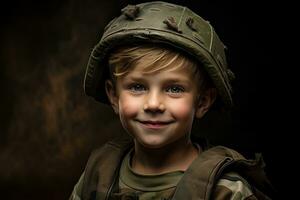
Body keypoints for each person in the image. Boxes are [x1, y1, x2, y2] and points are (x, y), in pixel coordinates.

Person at [70, 1, 274, 199]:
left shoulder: (225, 190)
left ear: (202, 101)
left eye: (174, 89)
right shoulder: (98, 174)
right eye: (137, 87)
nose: (153, 104)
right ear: (114, 96)